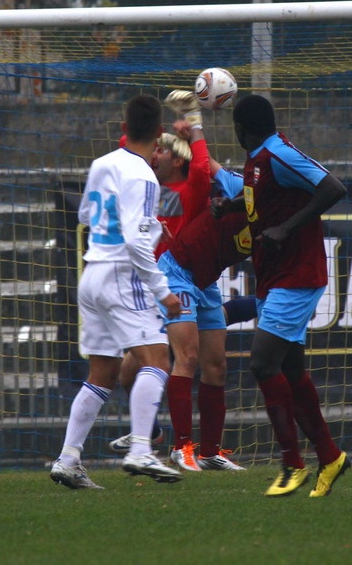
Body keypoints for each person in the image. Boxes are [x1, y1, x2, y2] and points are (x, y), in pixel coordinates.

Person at [213, 94, 350, 498]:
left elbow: (333, 187)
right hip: (274, 276)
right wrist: (231, 206)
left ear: (240, 128)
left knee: (261, 362)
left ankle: (292, 463)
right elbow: (262, 199)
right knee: (290, 370)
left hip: (298, 274)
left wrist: (287, 229)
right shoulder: (258, 158)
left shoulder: (278, 154)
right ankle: (331, 457)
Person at [110, 92, 251, 472]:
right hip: (170, 276)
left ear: (176, 159)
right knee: (172, 360)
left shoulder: (198, 189)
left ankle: (209, 451)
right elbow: (133, 145)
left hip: (201, 279)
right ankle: (178, 445)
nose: (155, 155)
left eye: (162, 151)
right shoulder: (153, 184)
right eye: (154, 150)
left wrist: (191, 133)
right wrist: (191, 126)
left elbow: (204, 168)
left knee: (216, 364)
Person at [49, 94, 184, 489]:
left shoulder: (101, 163)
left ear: (125, 130)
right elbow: (136, 241)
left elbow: (85, 215)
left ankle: (68, 458)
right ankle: (141, 449)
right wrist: (162, 291)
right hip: (122, 274)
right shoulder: (144, 175)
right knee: (158, 359)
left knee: (102, 372)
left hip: (91, 272)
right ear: (159, 133)